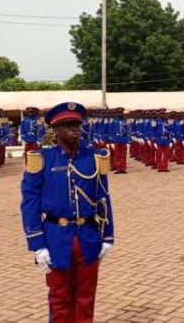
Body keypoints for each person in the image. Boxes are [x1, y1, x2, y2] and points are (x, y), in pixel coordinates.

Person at [20, 102, 114, 323]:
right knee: (60, 299)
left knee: (86, 299)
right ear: (55, 129)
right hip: (55, 236)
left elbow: (103, 198)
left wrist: (108, 236)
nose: (74, 129)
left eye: (77, 124)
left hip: (88, 234)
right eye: (67, 125)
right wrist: (37, 243)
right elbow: (30, 203)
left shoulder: (94, 157)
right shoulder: (42, 159)